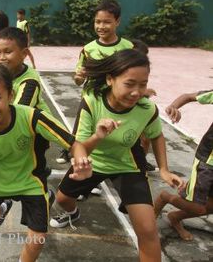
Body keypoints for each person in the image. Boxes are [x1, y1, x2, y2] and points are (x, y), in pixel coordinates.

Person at [0, 63, 116, 262]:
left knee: (38, 238)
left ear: (10, 95)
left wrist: (81, 160)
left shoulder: (32, 117)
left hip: (30, 182)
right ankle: (3, 206)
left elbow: (72, 142)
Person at [49, 49, 184, 262]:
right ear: (110, 79)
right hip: (93, 162)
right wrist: (97, 136)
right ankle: (73, 213)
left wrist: (164, 169)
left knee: (148, 230)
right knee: (62, 200)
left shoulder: (147, 109)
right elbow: (80, 147)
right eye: (130, 84)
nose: (137, 92)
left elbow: (157, 135)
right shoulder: (92, 101)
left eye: (143, 84)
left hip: (127, 165)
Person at [60, 0, 156, 175]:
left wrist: (143, 90)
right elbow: (78, 80)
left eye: (107, 22)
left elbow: (138, 72)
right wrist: (79, 77)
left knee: (129, 137)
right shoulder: (88, 49)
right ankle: (79, 174)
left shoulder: (128, 47)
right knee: (81, 138)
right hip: (93, 101)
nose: (101, 26)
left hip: (120, 102)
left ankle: (138, 171)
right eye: (98, 21)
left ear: (117, 22)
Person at [154, 89, 213, 241]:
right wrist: (174, 106)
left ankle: (175, 217)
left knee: (210, 205)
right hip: (208, 161)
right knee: (198, 206)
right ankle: (164, 197)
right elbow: (188, 96)